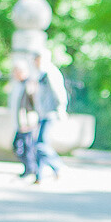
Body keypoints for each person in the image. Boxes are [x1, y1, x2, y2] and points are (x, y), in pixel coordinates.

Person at [32, 49, 68, 181]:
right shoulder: (41, 74)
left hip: (50, 114)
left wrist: (61, 109)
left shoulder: (49, 73)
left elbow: (58, 92)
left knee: (41, 144)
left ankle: (58, 167)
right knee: (39, 143)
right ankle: (39, 176)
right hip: (43, 114)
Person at [7, 62, 39, 180]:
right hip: (20, 122)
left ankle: (31, 169)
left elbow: (32, 104)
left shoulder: (29, 84)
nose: (15, 74)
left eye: (17, 71)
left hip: (27, 122)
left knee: (26, 146)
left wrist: (29, 121)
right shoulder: (18, 85)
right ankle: (29, 168)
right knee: (19, 146)